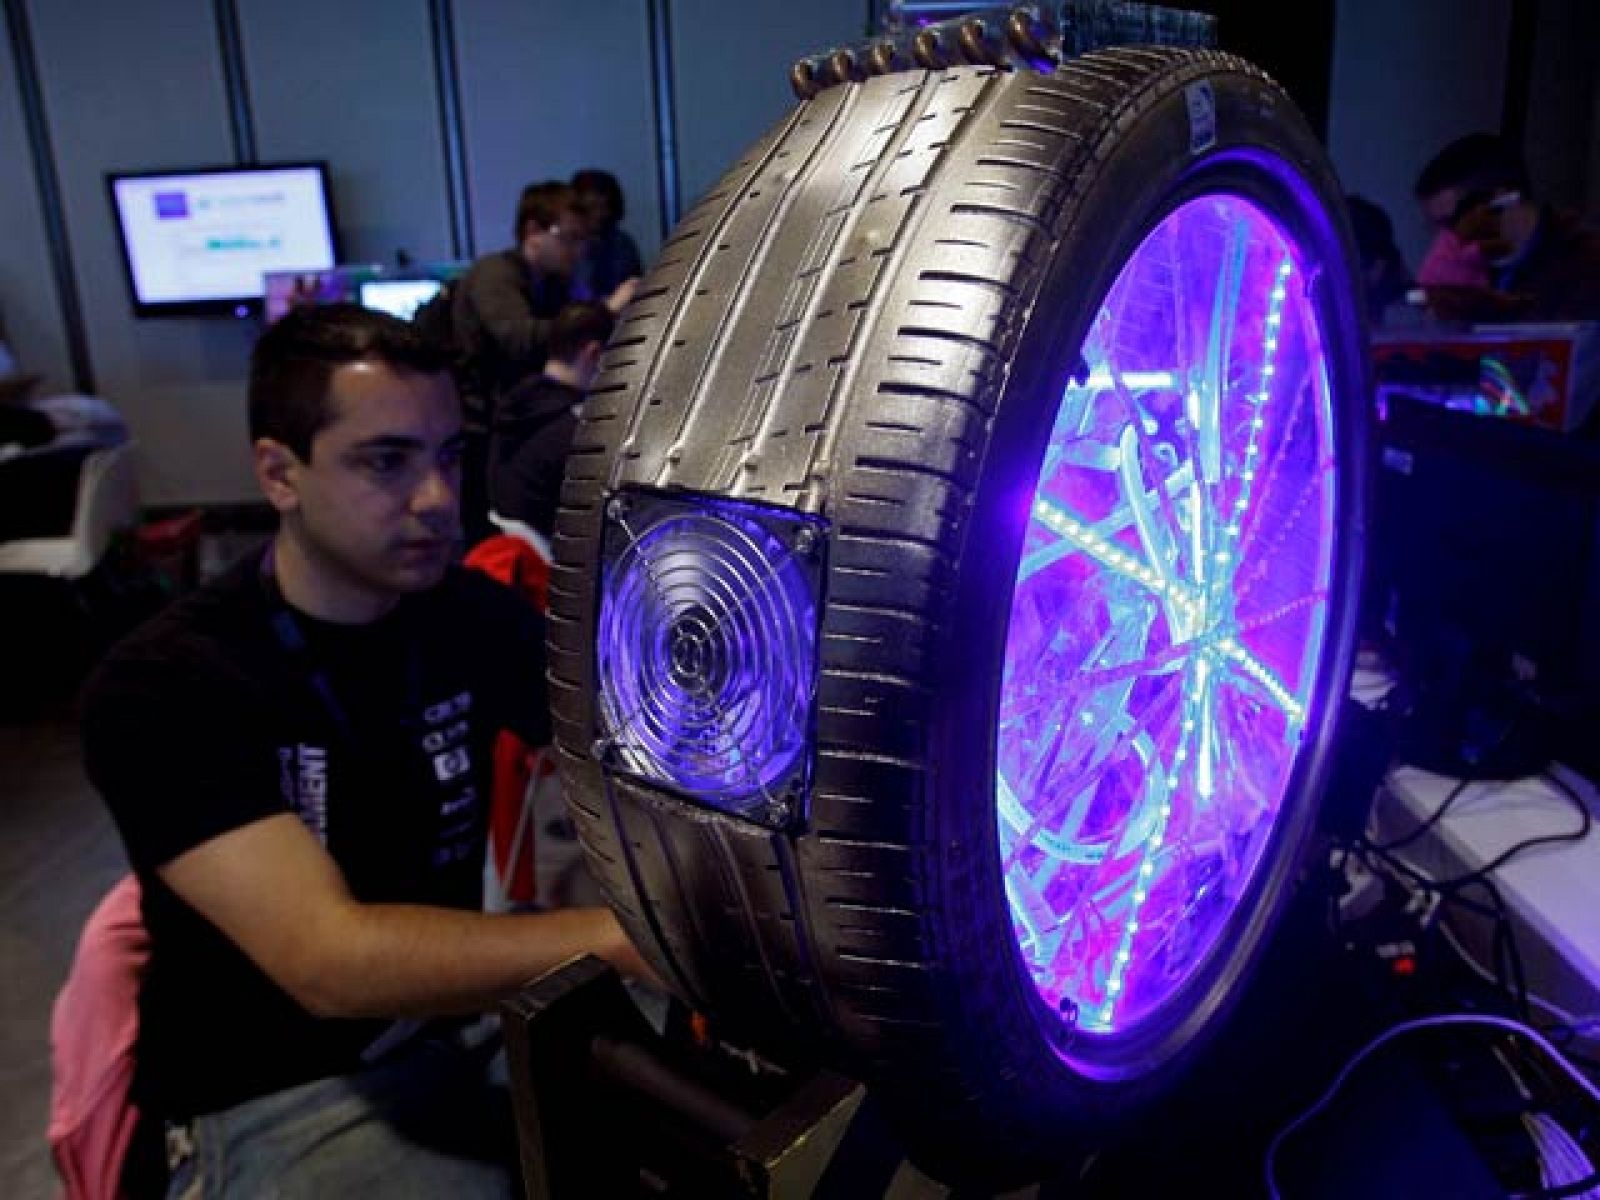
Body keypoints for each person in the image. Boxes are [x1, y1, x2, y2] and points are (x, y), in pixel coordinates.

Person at [79, 304, 653, 1197]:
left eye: (449, 457)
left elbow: (627, 759)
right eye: (386, 462)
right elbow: (329, 962)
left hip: (455, 1030)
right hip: (271, 1090)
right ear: (279, 474)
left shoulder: (467, 615)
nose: (436, 499)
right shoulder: (167, 683)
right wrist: (616, 939)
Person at [450, 181, 634, 545]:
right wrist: (604, 311)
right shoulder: (494, 274)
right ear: (532, 231)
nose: (577, 251)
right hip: (472, 428)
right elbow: (516, 337)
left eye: (583, 240)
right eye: (568, 238)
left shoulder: (552, 284)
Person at [1413, 132, 1600, 322]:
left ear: (1502, 200)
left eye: (1451, 222)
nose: (1444, 238)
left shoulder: (1585, 263)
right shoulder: (1469, 270)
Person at [488, 301, 616, 545]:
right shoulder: (580, 428)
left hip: (513, 550)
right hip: (555, 561)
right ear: (595, 354)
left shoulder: (519, 402)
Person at [570, 169, 644, 304]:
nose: (600, 215)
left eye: (605, 207)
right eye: (592, 207)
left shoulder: (623, 245)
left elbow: (635, 288)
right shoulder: (567, 246)